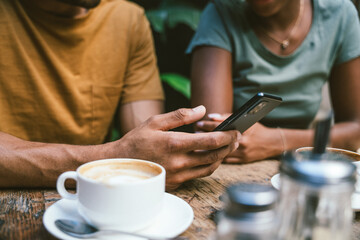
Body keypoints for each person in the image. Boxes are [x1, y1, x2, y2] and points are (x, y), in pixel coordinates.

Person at [0, 0, 241, 190]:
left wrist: (170, 154)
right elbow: (126, 157)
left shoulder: (127, 19)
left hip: (99, 198)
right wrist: (111, 158)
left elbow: (144, 146)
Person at [187, 0, 360, 163]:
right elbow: (212, 139)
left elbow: (356, 132)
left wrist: (277, 141)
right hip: (233, 169)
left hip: (299, 165)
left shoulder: (339, 14)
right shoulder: (222, 12)